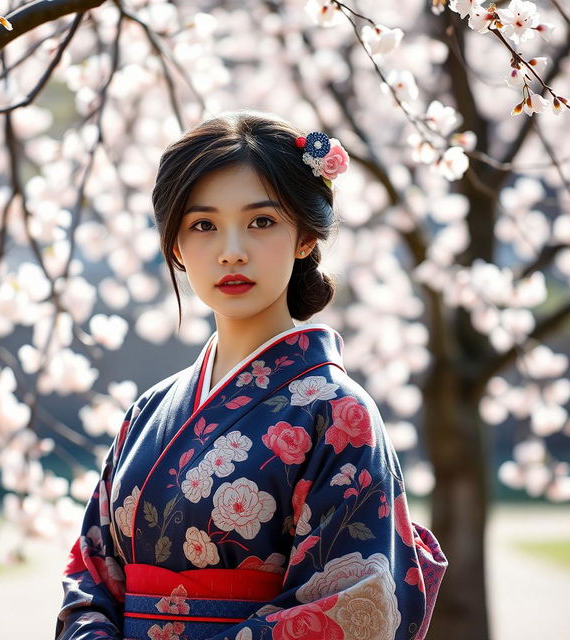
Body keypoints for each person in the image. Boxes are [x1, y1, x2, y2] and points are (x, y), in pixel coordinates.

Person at [55, 111, 447, 640]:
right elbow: (91, 572)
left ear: (305, 237)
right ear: (175, 246)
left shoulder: (338, 414)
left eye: (261, 221)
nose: (231, 249)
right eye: (203, 225)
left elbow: (349, 607)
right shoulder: (149, 411)